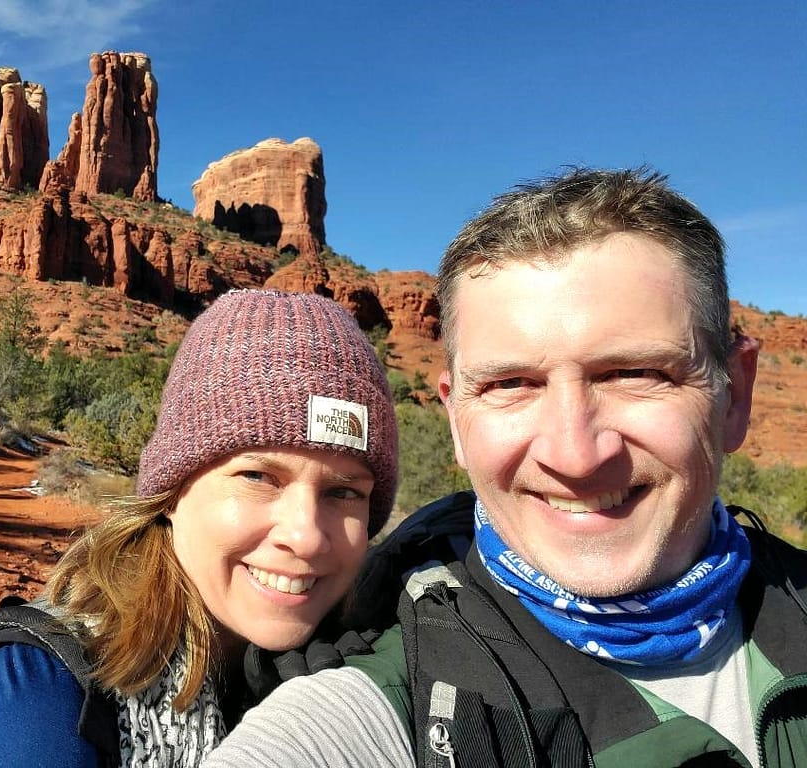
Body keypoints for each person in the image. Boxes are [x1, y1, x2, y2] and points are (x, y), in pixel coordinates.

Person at [202, 168, 807, 768]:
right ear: (455, 422)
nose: (575, 455)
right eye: (511, 384)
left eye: (634, 373)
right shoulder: (383, 694)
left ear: (736, 396)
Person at [0, 288, 398, 766]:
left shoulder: (358, 673)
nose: (307, 534)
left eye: (345, 491)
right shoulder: (31, 704)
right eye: (258, 476)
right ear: (173, 491)